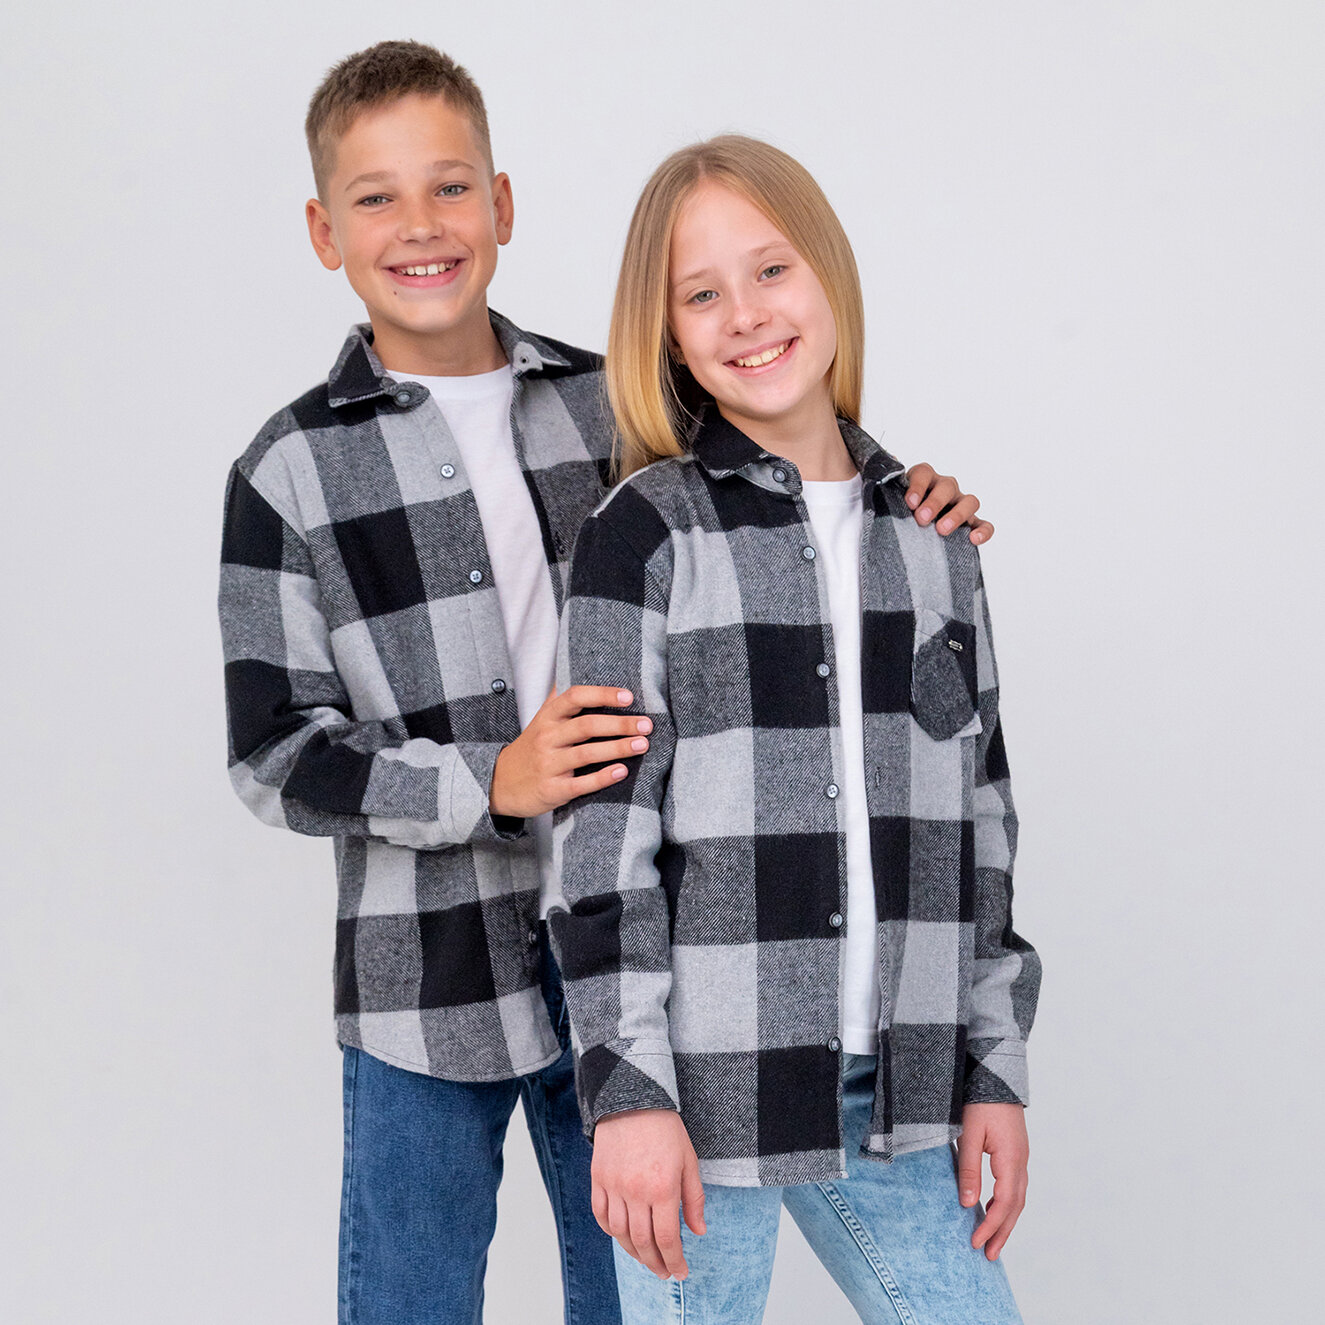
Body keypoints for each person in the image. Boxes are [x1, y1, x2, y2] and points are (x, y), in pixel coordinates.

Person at [218, 40, 997, 1325]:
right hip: (427, 976)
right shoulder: (287, 469)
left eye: (450, 187)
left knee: (624, 1296)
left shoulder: (616, 406)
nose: (420, 225)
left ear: (501, 204)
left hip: (642, 968)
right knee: (410, 1295)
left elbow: (784, 471)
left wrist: (911, 494)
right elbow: (270, 750)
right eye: (375, 198)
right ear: (323, 231)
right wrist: (492, 779)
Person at [549, 135, 1040, 1324]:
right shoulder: (643, 534)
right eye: (700, 293)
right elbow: (599, 846)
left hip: (898, 1090)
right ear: (668, 335)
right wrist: (627, 1093)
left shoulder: (933, 542)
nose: (745, 314)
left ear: (828, 273)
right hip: (701, 1093)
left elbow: (980, 826)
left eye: (770, 270)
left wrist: (993, 1066)